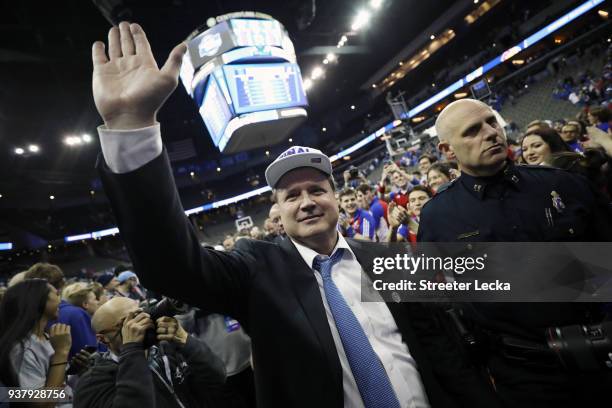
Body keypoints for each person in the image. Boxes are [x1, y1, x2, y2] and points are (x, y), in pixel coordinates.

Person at [91, 22, 499, 407]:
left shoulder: (381, 261)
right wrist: (133, 127)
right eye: (291, 195)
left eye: (317, 190)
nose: (306, 202)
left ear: (336, 198)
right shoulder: (256, 270)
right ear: (278, 211)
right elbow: (172, 267)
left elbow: (441, 351)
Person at [421, 98, 612, 407]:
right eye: (472, 131)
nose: (491, 132)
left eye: (491, 122)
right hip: (523, 378)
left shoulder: (564, 185)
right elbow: (441, 309)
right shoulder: (436, 220)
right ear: (447, 150)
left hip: (599, 356)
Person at [74, 297, 226, 408]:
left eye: (140, 314)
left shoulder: (167, 349)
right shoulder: (92, 383)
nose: (141, 324)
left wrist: (186, 341)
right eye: (126, 324)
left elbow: (217, 377)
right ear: (103, 339)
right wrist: (132, 349)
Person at [0, 279, 73, 406]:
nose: (60, 299)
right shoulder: (22, 349)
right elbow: (42, 404)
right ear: (39, 300)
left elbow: (51, 379)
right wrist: (61, 353)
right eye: (56, 293)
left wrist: (72, 369)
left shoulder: (44, 337)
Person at [59, 282, 101, 359]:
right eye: (95, 299)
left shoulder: (62, 311)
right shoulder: (79, 315)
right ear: (85, 304)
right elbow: (90, 352)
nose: (98, 302)